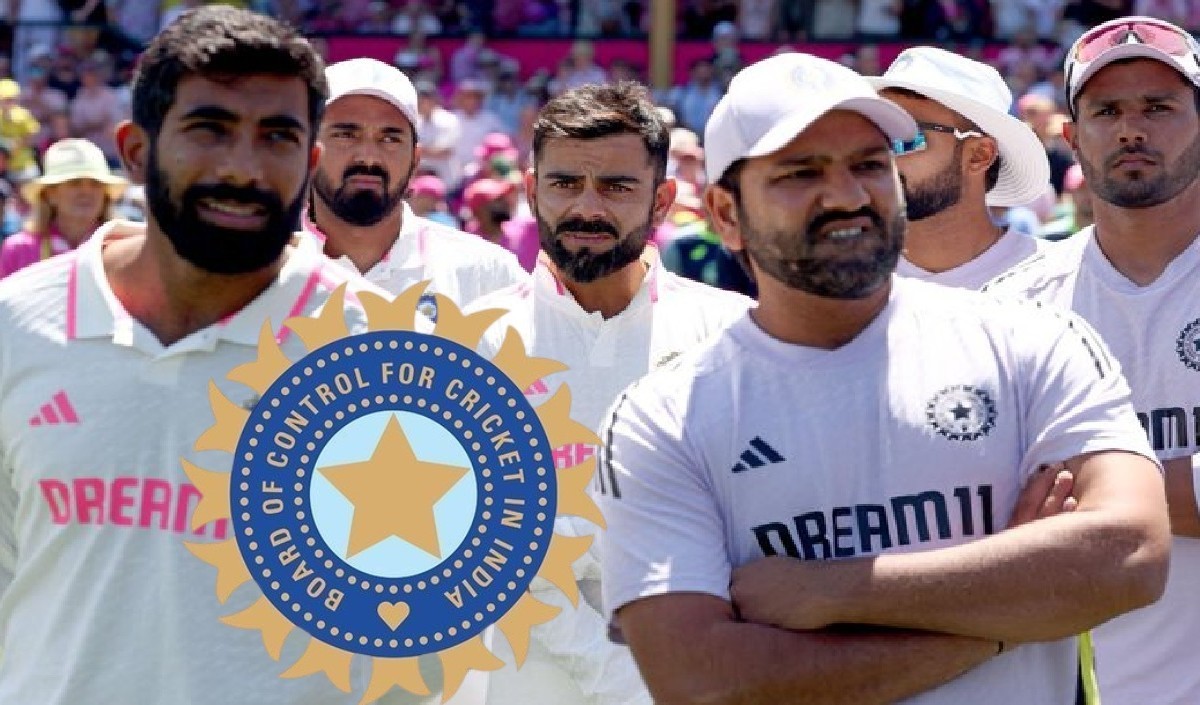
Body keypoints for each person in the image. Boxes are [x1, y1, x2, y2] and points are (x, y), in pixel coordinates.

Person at [597, 52, 1170, 705]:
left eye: (870, 165)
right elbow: (701, 679)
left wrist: (832, 589)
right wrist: (1014, 613)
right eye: (800, 173)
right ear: (726, 214)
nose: (847, 196)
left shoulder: (1035, 341)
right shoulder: (664, 416)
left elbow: (1131, 553)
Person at [0, 8, 400, 704]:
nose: (242, 168)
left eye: (276, 137)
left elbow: (409, 646)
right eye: (209, 129)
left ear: (309, 162)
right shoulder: (16, 326)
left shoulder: (376, 352)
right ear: (135, 151)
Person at [468, 81, 753, 705]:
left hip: (699, 672)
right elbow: (482, 548)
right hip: (525, 681)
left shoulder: (732, 336)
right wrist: (619, 675)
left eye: (617, 187)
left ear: (662, 200)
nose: (587, 208)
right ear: (531, 191)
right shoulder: (472, 342)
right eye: (565, 183)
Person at [985, 16, 1200, 705]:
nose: (1132, 129)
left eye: (1158, 107)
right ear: (1072, 138)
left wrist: (1083, 492)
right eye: (1107, 111)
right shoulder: (1011, 307)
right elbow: (985, 505)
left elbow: (1029, 502)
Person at [307, 58, 526, 317]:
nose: (368, 157)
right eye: (346, 135)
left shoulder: (486, 277)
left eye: (390, 139)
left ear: (415, 160)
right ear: (309, 150)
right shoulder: (267, 274)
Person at [867, 47, 1052, 289]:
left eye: (907, 137)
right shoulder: (843, 279)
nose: (883, 155)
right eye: (878, 134)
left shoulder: (1051, 283)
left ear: (979, 155)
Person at [0, 138, 126, 278]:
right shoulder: (19, 250)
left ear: (105, 195)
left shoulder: (123, 248)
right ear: (50, 194)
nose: (86, 191)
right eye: (74, 183)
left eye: (96, 183)